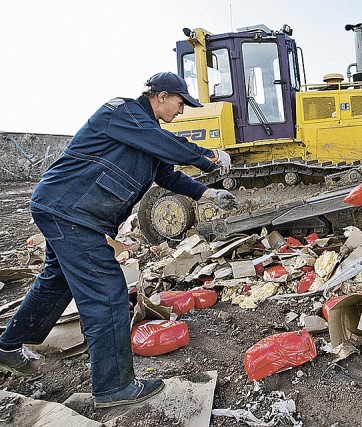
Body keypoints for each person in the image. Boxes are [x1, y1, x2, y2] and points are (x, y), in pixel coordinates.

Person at [0, 72, 237, 408]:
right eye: (181, 103)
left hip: (67, 210)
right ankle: (113, 387)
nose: (182, 111)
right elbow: (171, 147)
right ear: (161, 95)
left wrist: (206, 192)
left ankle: (8, 346)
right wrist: (209, 157)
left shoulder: (147, 134)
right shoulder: (123, 113)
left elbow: (166, 173)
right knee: (106, 293)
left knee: (57, 282)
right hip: (70, 210)